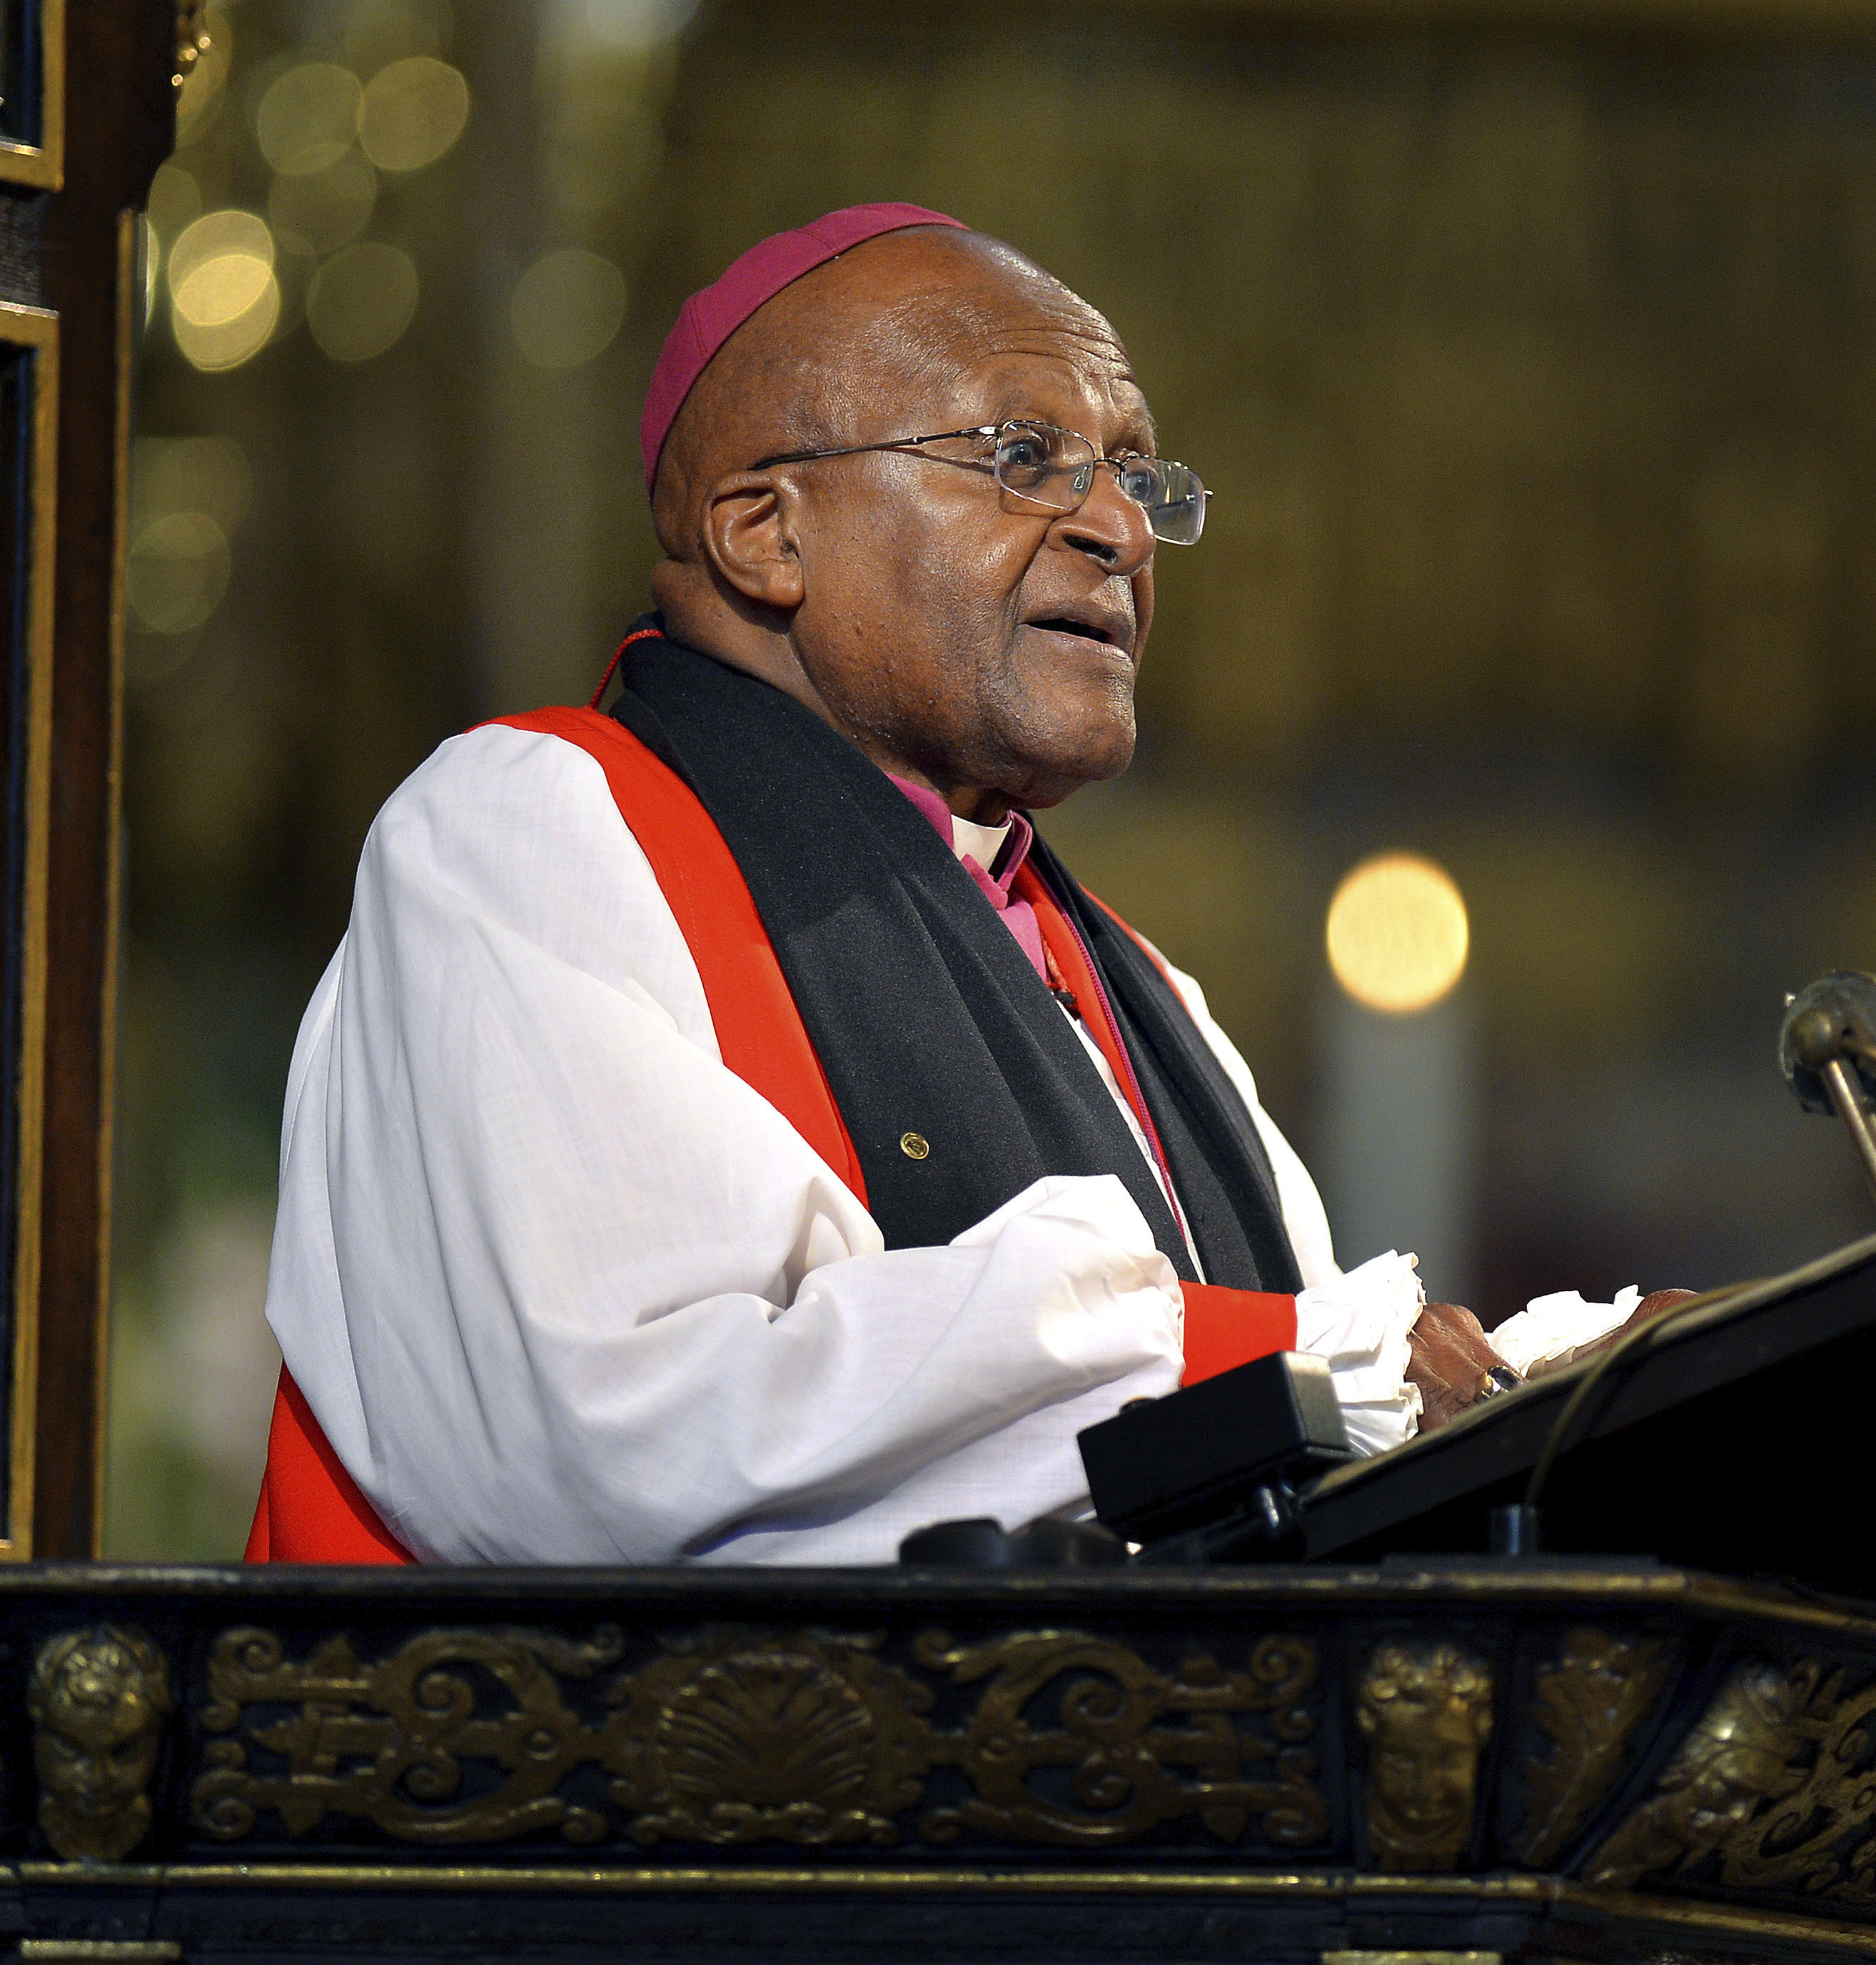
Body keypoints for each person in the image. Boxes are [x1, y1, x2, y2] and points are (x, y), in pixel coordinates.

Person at [249, 204, 1675, 1566]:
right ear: (766, 533)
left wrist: (1583, 1391)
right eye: (1023, 456)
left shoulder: (1131, 987)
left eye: (1135, 474)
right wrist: (1305, 1363)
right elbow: (613, 1438)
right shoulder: (535, 835)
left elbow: (1330, 1421)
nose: (1117, 528)